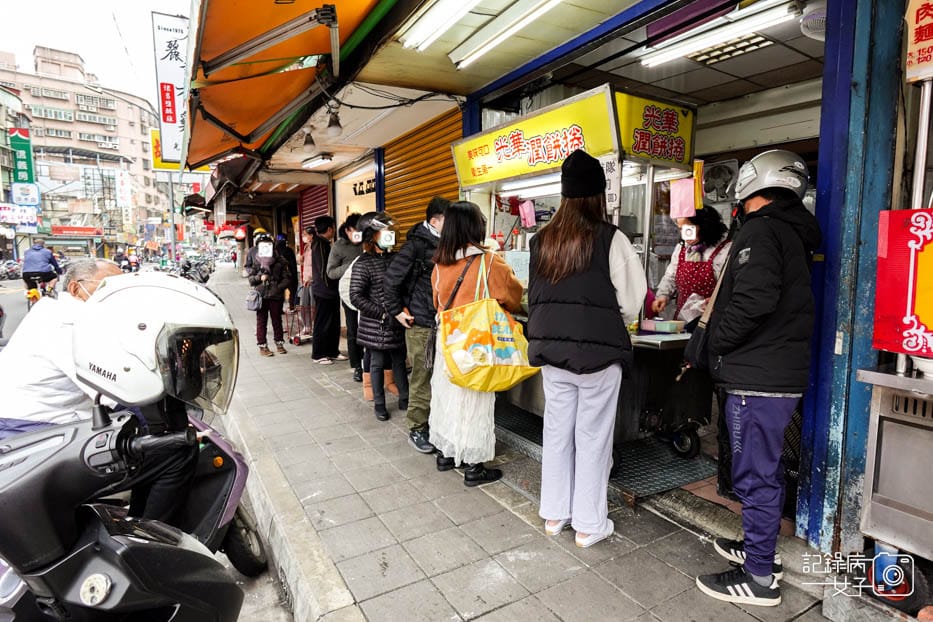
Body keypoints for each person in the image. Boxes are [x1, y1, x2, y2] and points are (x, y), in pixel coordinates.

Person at [695, 150, 821, 607]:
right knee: (761, 471)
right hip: (772, 373)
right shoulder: (791, 231)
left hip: (760, 378)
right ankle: (759, 548)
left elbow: (752, 301)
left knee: (755, 475)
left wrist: (715, 344)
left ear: (752, 185)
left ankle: (759, 577)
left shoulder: (764, 230)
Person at [0, 259, 199, 525]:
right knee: (174, 451)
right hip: (35, 438)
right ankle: (150, 542)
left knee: (149, 436)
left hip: (48, 428)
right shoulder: (65, 325)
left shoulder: (56, 312)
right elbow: (112, 388)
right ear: (75, 288)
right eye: (108, 287)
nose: (116, 296)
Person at [527, 150, 647, 548]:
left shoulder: (541, 240)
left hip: (553, 356)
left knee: (557, 431)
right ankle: (588, 525)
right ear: (598, 194)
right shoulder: (611, 238)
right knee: (593, 437)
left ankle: (554, 515)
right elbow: (632, 301)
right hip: (598, 357)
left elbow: (536, 296)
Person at [430, 201, 523, 487]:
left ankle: (446, 454)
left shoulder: (440, 263)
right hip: (477, 344)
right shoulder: (490, 262)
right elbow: (513, 295)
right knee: (475, 401)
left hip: (448, 342)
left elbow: (436, 301)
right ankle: (473, 465)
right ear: (475, 227)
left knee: (447, 397)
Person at [383, 197, 449, 454]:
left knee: (440, 378)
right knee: (422, 377)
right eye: (448, 220)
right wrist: (397, 311)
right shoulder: (416, 247)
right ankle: (417, 428)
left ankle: (435, 423)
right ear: (435, 221)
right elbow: (390, 281)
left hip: (442, 322)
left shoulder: (446, 243)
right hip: (421, 323)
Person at [349, 212, 409, 421]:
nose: (389, 235)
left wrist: (403, 309)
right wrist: (382, 313)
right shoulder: (362, 263)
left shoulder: (397, 258)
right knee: (376, 362)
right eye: (384, 232)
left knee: (400, 360)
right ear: (371, 236)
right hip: (376, 324)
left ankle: (405, 398)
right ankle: (380, 404)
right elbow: (355, 296)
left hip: (398, 321)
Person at [651, 205, 731, 320]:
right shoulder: (681, 248)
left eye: (689, 228)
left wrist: (719, 302)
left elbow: (730, 287)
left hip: (712, 322)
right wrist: (663, 296)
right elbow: (671, 276)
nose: (685, 234)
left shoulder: (725, 250)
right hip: (682, 322)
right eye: (680, 229)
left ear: (704, 226)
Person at [326, 214, 364, 380]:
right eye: (357, 231)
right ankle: (357, 366)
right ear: (348, 230)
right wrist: (352, 264)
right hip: (349, 293)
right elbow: (331, 272)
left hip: (370, 292)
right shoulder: (339, 247)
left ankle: (376, 365)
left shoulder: (367, 241)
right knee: (353, 330)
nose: (360, 235)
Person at [246, 233, 291, 357]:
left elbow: (287, 278)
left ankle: (279, 344)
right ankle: (262, 346)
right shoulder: (255, 262)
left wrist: (278, 288)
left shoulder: (279, 260)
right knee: (261, 321)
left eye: (268, 245)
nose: (265, 248)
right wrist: (260, 277)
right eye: (262, 246)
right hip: (261, 295)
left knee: (277, 320)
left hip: (275, 296)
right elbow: (251, 280)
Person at [310, 216, 345, 364]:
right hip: (324, 291)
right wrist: (329, 287)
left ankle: (332, 351)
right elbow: (325, 270)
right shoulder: (320, 245)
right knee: (322, 323)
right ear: (330, 228)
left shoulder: (324, 244)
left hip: (330, 291)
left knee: (333, 323)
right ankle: (318, 354)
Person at [299, 226, 316, 337]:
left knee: (313, 305)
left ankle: (315, 327)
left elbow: (317, 266)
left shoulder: (316, 248)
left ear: (311, 235)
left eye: (305, 234)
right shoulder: (306, 247)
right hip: (305, 280)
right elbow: (305, 264)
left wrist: (311, 278)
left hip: (313, 281)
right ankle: (307, 326)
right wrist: (301, 260)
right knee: (304, 305)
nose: (303, 237)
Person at [275, 234, 300, 309]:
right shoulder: (289, 251)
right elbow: (293, 265)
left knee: (279, 292)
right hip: (289, 275)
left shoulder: (274, 251)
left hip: (278, 276)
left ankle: (279, 309)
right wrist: (294, 276)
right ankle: (292, 306)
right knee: (292, 291)